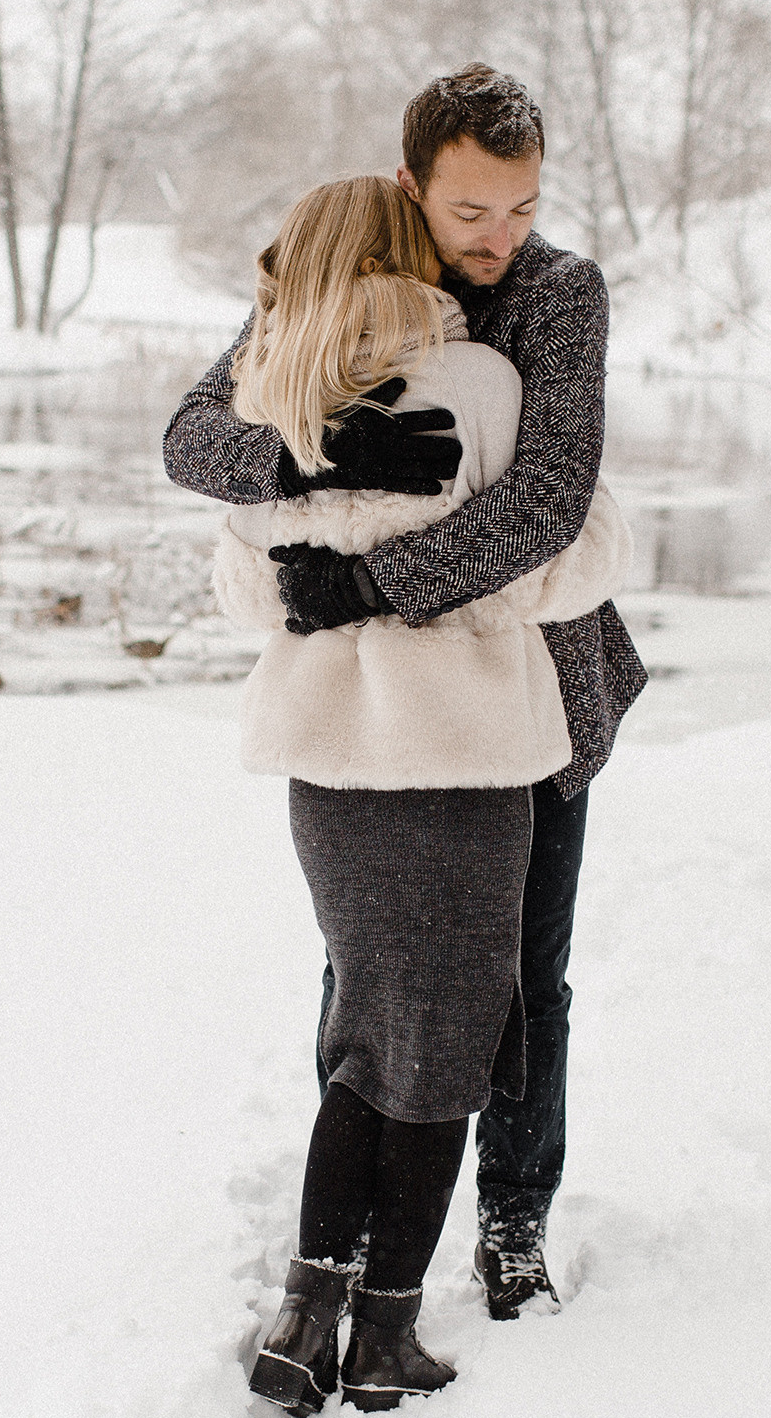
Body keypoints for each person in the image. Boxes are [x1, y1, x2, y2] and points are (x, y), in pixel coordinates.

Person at [168, 65, 645, 1324]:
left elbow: (547, 502)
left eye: (522, 207)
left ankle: (512, 1218)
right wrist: (313, 452)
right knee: (364, 960)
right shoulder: (344, 279)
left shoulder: (558, 293)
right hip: (370, 707)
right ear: (411, 186)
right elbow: (189, 437)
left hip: (537, 681)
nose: (500, 237)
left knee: (527, 971)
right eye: (471, 211)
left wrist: (368, 583)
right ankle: (363, 1219)